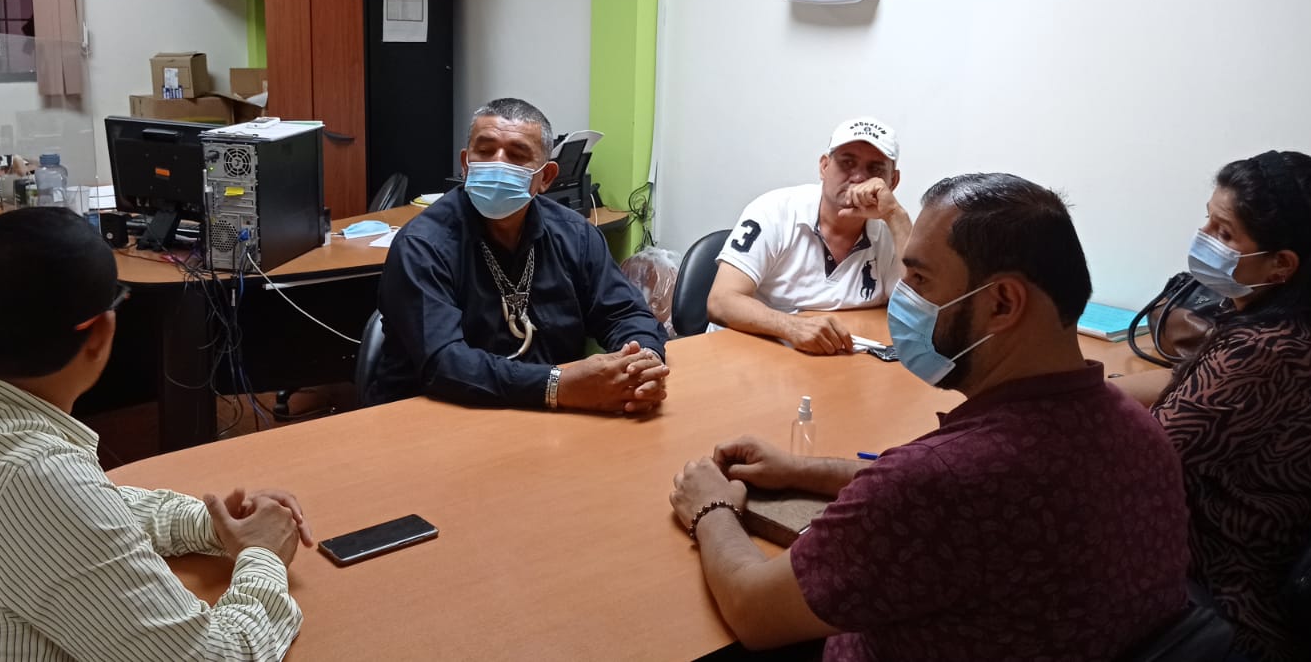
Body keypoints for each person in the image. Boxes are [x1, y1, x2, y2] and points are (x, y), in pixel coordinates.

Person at [669, 173, 1190, 660]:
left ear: (1002, 303)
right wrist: (802, 469)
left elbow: (754, 609)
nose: (904, 299)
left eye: (919, 278)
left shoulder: (938, 483)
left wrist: (710, 508)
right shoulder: (1139, 430)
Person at [0, 207, 310, 660]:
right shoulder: (37, 480)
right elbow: (216, 656)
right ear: (100, 333)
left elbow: (92, 516)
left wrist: (209, 524)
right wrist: (263, 556)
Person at [1114, 150, 1311, 662]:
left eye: (1224, 233)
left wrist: (1054, 405)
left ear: (1281, 265)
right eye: (1208, 219)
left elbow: (1138, 459)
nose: (1203, 237)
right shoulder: (1302, 321)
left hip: (1236, 610)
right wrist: (1085, 383)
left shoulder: (1271, 351)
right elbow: (1184, 384)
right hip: (1239, 576)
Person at [370, 97, 670, 412]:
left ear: (546, 177)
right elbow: (445, 364)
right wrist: (556, 386)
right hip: (433, 415)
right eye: (485, 151)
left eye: (517, 155)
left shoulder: (575, 235)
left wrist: (642, 363)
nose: (498, 163)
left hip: (550, 414)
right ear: (465, 163)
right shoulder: (422, 245)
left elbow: (625, 314)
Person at [707, 117, 912, 355]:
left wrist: (896, 216)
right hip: (750, 352)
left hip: (836, 359)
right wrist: (791, 326)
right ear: (824, 167)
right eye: (847, 163)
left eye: (875, 169)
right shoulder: (773, 211)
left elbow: (918, 313)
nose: (858, 178)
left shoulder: (892, 229)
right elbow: (721, 301)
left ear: (892, 181)